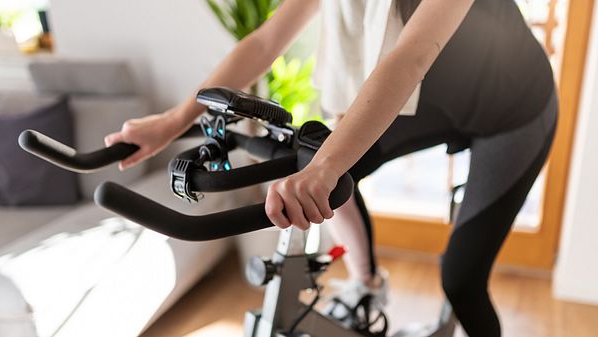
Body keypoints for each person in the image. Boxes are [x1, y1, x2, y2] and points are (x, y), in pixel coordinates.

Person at [106, 1, 557, 336]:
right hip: (431, 101)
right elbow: (265, 41)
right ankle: (366, 283)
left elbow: (411, 54)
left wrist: (326, 166)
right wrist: (171, 122)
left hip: (513, 113)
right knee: (316, 153)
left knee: (461, 280)